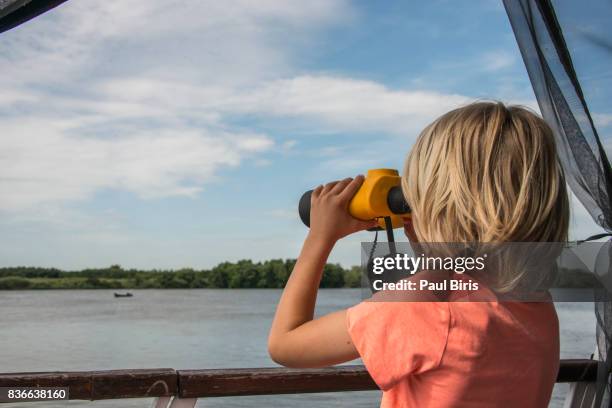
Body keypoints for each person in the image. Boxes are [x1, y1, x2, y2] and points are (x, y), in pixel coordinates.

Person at [268, 101, 569, 407]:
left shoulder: (422, 307)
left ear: (437, 200)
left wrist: (320, 237)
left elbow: (285, 345)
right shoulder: (534, 301)